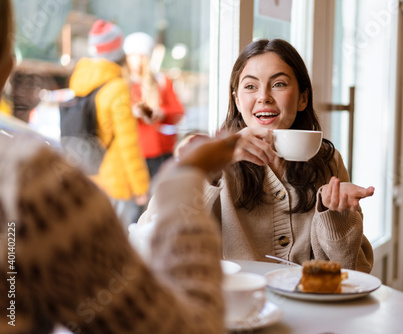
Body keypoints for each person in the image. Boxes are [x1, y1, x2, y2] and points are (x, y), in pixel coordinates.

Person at [1, 5, 237, 332]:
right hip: (123, 177)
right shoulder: (26, 183)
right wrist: (181, 178)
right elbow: (180, 327)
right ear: (6, 66)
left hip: (96, 173)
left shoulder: (84, 83)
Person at [148, 38, 375, 273]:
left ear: (303, 99)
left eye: (278, 84)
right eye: (250, 86)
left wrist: (337, 218)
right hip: (237, 302)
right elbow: (152, 238)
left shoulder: (328, 160)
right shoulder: (215, 158)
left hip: (307, 303)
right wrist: (211, 168)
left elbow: (354, 271)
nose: (263, 96)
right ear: (236, 100)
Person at [67, 20, 150, 228]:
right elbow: (128, 144)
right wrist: (141, 187)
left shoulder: (79, 81)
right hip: (117, 182)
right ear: (117, 51)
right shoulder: (117, 88)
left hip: (90, 174)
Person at [123, 32, 185, 178]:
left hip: (162, 153)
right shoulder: (122, 85)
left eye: (141, 56)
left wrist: (161, 112)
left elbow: (178, 111)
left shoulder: (161, 81)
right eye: (133, 56)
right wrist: (131, 113)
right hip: (133, 153)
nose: (137, 62)